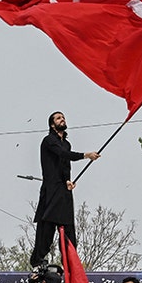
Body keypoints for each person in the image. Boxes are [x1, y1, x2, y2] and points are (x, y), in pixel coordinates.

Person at [29, 112, 100, 268]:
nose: (63, 119)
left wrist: (68, 181)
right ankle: (38, 260)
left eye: (63, 117)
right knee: (47, 227)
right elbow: (62, 154)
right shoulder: (49, 141)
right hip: (51, 188)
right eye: (58, 118)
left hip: (63, 189)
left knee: (68, 228)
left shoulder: (66, 143)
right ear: (52, 124)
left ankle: (69, 261)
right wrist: (86, 155)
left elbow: (65, 164)